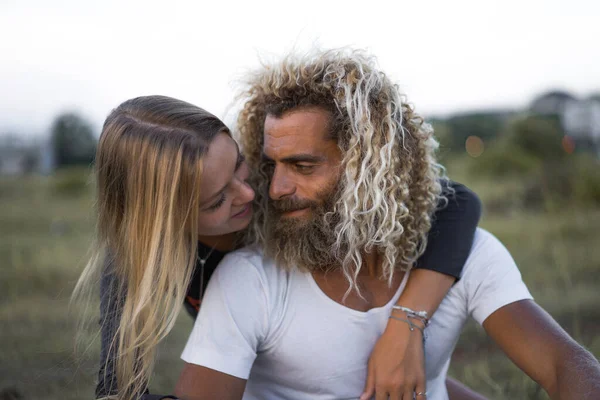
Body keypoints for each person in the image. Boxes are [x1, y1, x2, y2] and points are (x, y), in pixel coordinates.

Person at [174, 49, 600, 400]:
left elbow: (567, 366)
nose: (275, 188)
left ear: (371, 167)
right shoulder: (250, 279)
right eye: (271, 166)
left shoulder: (469, 253)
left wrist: (407, 320)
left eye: (303, 165)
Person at [73, 95, 482, 400]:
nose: (250, 194)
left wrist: (406, 322)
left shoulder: (278, 182)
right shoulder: (136, 260)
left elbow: (458, 202)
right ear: (162, 223)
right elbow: (117, 388)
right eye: (217, 201)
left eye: (238, 165)